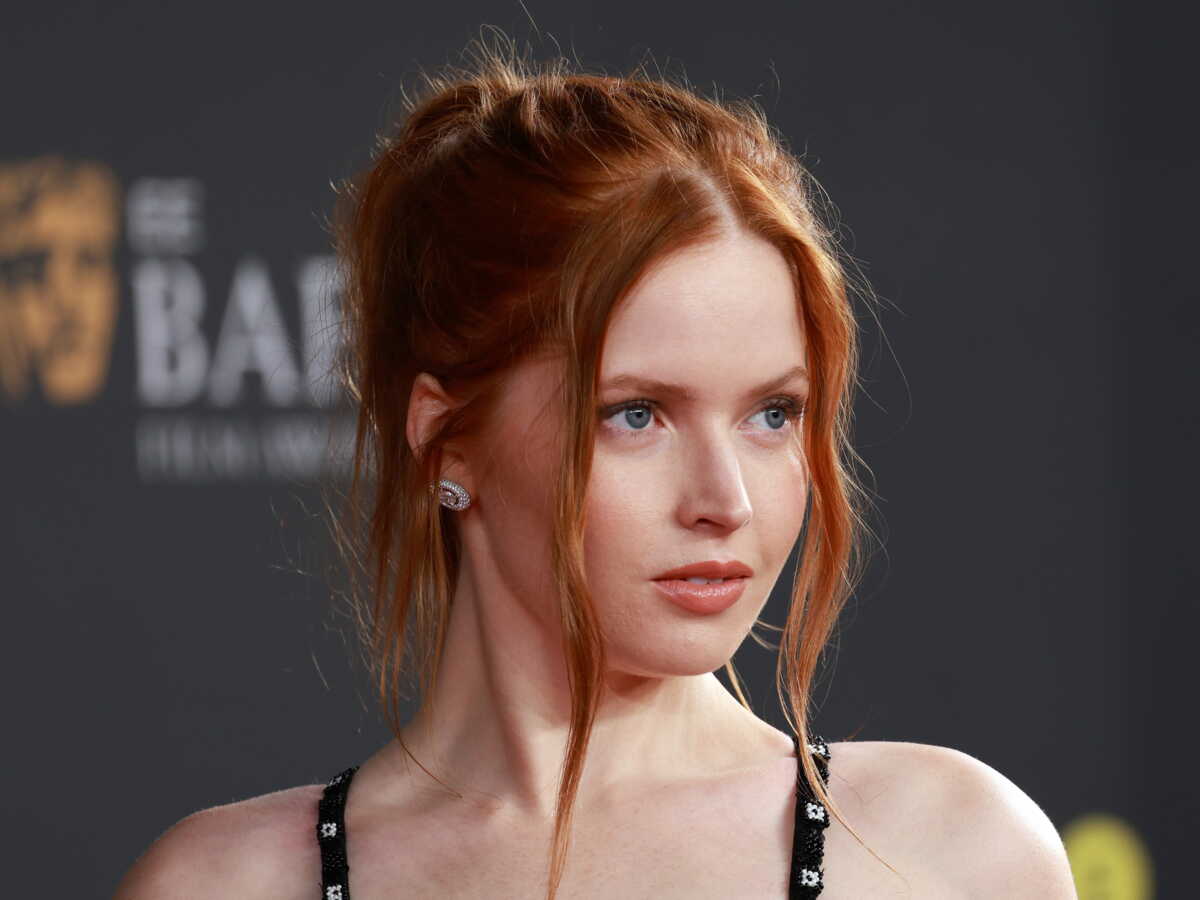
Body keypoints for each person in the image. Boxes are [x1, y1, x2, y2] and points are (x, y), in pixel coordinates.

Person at [114, 37, 1078, 900]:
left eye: (772, 414)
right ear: (447, 440)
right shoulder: (226, 886)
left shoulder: (946, 855)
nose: (727, 501)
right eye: (637, 415)